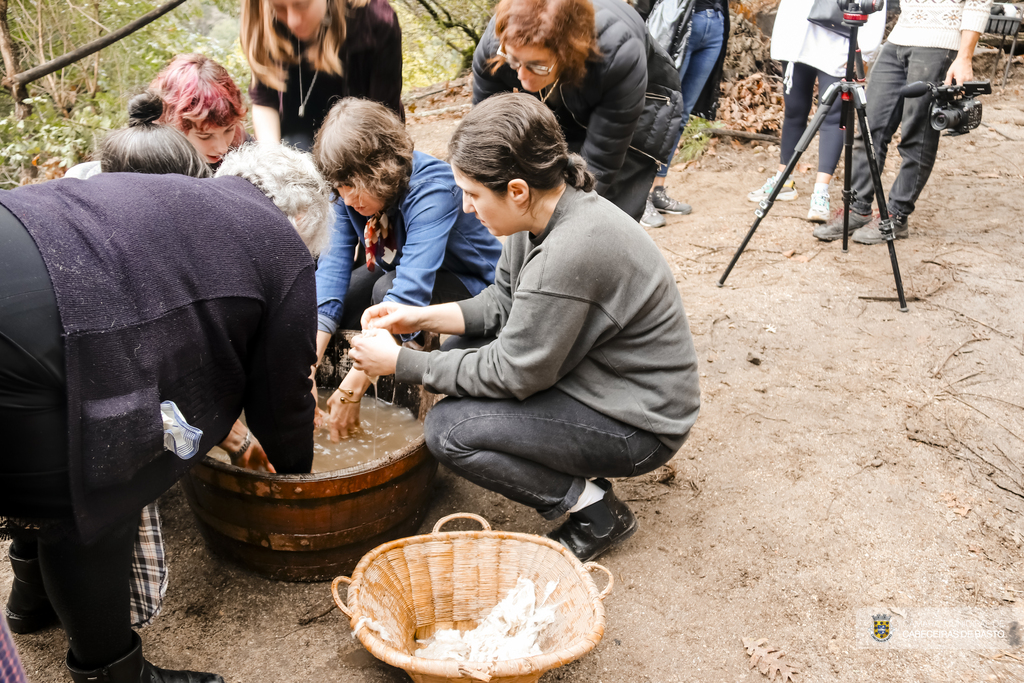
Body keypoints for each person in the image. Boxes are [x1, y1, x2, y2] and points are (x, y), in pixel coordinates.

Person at [0, 142, 331, 683]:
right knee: (96, 495)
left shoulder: (180, 194)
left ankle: (32, 600)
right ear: (300, 218)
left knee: (44, 452)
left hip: (17, 237)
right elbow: (284, 398)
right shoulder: (280, 242)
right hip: (39, 321)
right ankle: (114, 673)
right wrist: (297, 472)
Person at [348, 93, 701, 563]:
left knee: (451, 429)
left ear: (516, 189)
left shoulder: (572, 250)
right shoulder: (537, 214)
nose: (468, 208)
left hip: (640, 422)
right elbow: (501, 304)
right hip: (600, 377)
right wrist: (414, 316)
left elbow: (513, 373)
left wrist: (400, 363)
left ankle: (595, 511)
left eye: (473, 195)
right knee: (460, 344)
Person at [312, 98, 502, 440]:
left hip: (476, 283)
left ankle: (400, 367)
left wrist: (349, 392)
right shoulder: (346, 195)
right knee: (352, 297)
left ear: (380, 169)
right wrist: (306, 370)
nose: (347, 198)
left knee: (384, 293)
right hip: (403, 271)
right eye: (340, 188)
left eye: (353, 186)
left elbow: (409, 290)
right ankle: (375, 369)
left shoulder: (433, 189)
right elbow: (331, 273)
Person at [472, 0, 684, 222]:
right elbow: (485, 133)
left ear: (567, 52)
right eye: (515, 62)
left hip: (637, 104)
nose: (523, 79)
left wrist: (558, 218)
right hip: (569, 90)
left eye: (536, 65)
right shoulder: (496, 47)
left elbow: (600, 164)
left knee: (602, 211)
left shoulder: (618, 53)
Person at [814, 0, 992, 243]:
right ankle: (858, 208)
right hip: (899, 39)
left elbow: (978, 2)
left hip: (939, 44)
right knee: (869, 128)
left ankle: (896, 215)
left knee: (916, 135)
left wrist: (964, 57)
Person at [746, 0, 885, 224]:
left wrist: (863, 52)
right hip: (798, 41)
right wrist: (784, 41)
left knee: (833, 116)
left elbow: (876, 6)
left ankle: (821, 191)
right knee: (794, 111)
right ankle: (784, 180)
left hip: (839, 43)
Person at [241, 0, 403, 151]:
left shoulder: (377, 21)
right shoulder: (267, 20)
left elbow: (384, 124)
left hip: (361, 140)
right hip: (295, 140)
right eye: (279, 8)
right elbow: (264, 101)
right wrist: (273, 159)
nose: (293, 21)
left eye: (302, 5)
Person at [642, 0, 730, 228]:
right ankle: (639, 195)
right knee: (658, 110)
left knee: (679, 115)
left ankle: (657, 190)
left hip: (715, 23)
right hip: (678, 20)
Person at [149, 53, 250, 167]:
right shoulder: (149, 160)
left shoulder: (246, 151)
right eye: (205, 136)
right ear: (170, 124)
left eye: (229, 130)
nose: (223, 148)